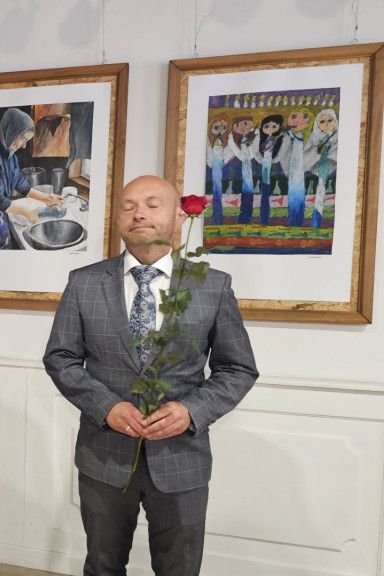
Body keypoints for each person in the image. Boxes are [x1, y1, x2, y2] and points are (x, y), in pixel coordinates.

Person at [43, 175, 258, 576]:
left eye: (152, 204)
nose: (138, 213)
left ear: (179, 216)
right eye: (128, 206)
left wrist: (191, 411)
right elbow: (61, 358)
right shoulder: (84, 283)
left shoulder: (211, 286)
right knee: (102, 567)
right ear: (118, 220)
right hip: (104, 458)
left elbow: (238, 368)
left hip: (182, 460)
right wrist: (106, 406)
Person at [0, 107, 62, 249]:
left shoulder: (10, 156)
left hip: (1, 218)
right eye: (23, 139)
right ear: (11, 132)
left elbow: (21, 183)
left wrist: (46, 197)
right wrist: (27, 212)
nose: (24, 146)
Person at [304, 108, 338, 230]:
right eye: (322, 121)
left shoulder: (338, 137)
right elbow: (307, 154)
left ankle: (320, 219)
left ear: (335, 122)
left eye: (330, 120)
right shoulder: (314, 137)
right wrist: (317, 152)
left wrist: (329, 153)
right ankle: (316, 220)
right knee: (319, 189)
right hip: (318, 167)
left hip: (332, 166)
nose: (326, 124)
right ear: (317, 124)